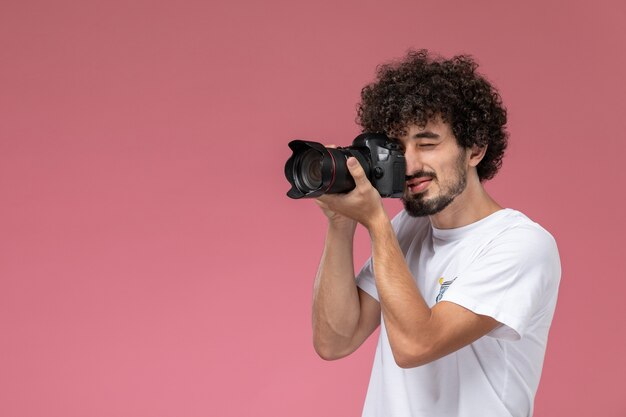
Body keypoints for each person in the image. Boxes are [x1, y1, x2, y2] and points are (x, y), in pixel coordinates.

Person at [312, 50, 561, 417]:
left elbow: (415, 345)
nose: (410, 164)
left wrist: (377, 222)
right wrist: (341, 224)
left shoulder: (521, 244)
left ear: (475, 149)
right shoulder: (408, 229)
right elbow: (335, 341)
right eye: (399, 148)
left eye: (427, 144)